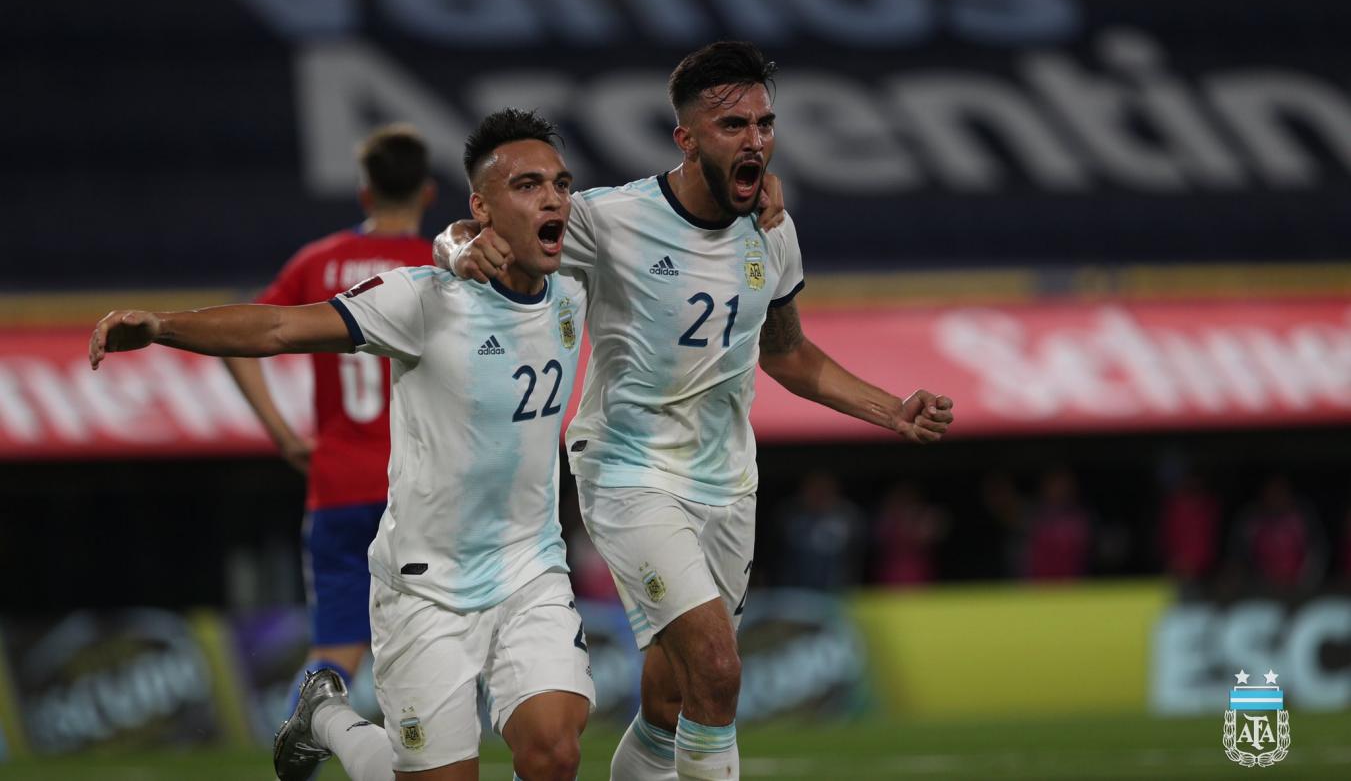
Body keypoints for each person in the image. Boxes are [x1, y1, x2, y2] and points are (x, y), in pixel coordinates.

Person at [439, 41, 954, 781]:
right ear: (685, 138)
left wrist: (890, 409)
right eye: (732, 126)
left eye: (763, 124)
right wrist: (456, 248)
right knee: (718, 666)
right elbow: (486, 230)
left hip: (726, 482)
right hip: (629, 472)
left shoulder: (772, 232)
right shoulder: (610, 219)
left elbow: (788, 354)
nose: (755, 141)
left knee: (672, 699)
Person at [91, 109, 594, 781]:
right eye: (529, 185)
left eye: (560, 183)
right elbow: (275, 329)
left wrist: (755, 207)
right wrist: (160, 326)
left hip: (530, 571)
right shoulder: (421, 298)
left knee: (554, 752)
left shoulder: (578, 281)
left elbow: (673, 209)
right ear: (482, 207)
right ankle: (326, 717)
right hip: (424, 586)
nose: (553, 197)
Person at [222, 123, 435, 721]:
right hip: (418, 487)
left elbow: (241, 340)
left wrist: (285, 436)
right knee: (436, 641)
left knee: (334, 655)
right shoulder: (437, 266)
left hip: (337, 484)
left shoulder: (317, 263)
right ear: (427, 191)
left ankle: (298, 760)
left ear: (365, 193)